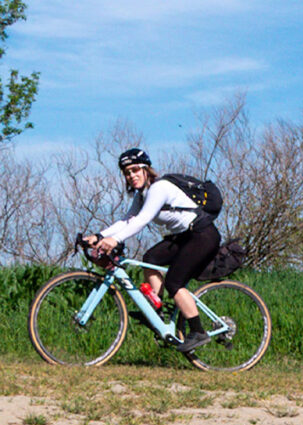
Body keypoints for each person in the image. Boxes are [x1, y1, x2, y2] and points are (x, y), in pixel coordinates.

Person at [84, 148, 221, 353]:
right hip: (183, 237)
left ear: (146, 169)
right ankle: (159, 313)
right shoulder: (142, 195)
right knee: (150, 259)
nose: (131, 176)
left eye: (135, 170)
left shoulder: (160, 188)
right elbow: (127, 220)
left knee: (174, 282)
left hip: (202, 235)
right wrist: (100, 236)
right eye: (127, 173)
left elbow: (142, 220)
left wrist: (115, 240)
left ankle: (198, 331)